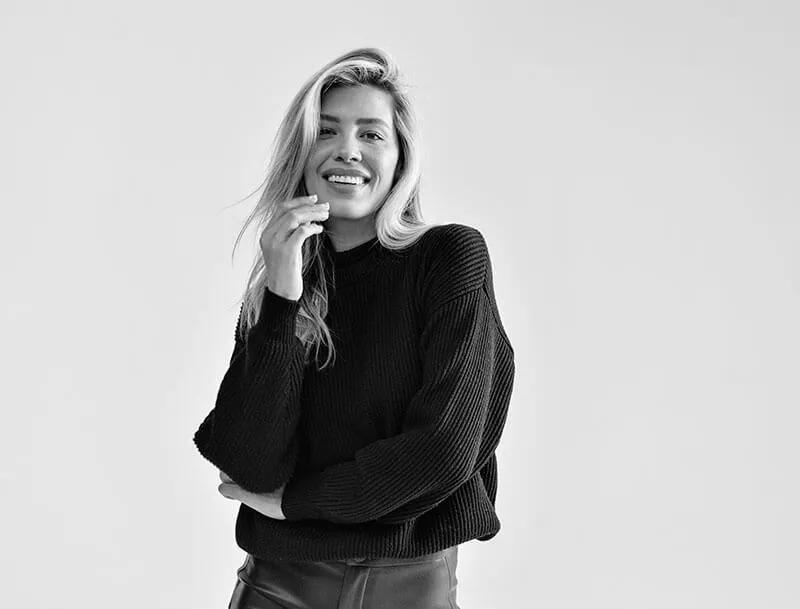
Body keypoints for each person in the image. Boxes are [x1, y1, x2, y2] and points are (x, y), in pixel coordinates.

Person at [192, 47, 516, 609]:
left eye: (371, 134)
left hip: (407, 587)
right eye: (326, 131)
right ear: (301, 152)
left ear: (400, 157)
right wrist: (282, 298)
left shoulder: (447, 258)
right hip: (275, 588)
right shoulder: (282, 291)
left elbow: (444, 449)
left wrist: (299, 502)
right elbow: (249, 466)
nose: (347, 149)